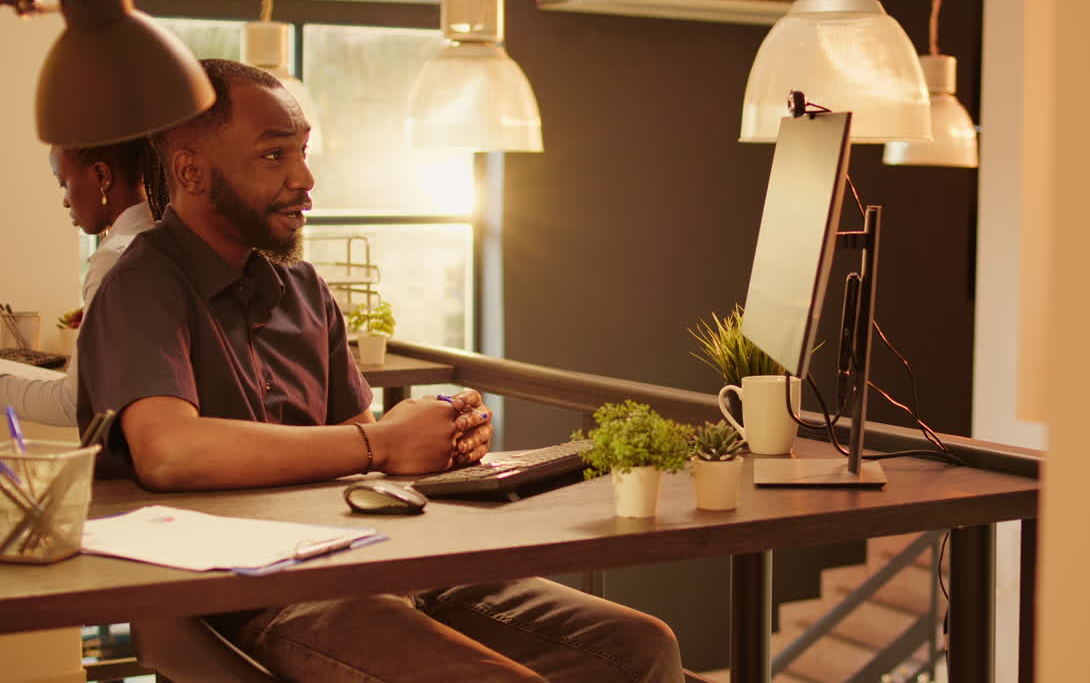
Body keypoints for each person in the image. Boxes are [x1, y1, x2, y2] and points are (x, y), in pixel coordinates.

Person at [76, 59, 683, 683]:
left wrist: (431, 451)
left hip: (373, 563)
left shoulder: (305, 290)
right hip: (242, 601)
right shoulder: (141, 287)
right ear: (190, 171)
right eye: (273, 156)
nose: (304, 178)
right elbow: (168, 452)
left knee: (641, 646)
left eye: (303, 152)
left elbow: (361, 461)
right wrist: (382, 441)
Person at [0, 138, 160, 426]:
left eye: (64, 183)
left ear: (101, 175)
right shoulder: (160, 240)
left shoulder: (115, 259)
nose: (64, 199)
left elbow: (73, 403)